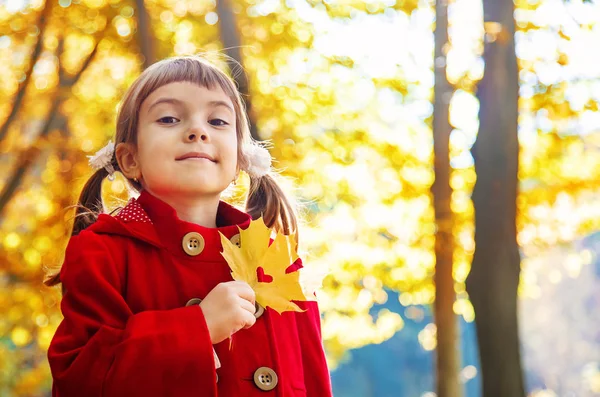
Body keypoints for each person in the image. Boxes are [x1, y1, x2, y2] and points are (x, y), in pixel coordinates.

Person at [45, 55, 332, 397]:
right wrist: (198, 327)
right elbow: (79, 381)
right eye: (169, 118)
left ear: (241, 157)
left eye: (218, 121)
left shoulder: (279, 265)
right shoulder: (102, 252)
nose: (198, 131)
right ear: (129, 159)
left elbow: (313, 381)